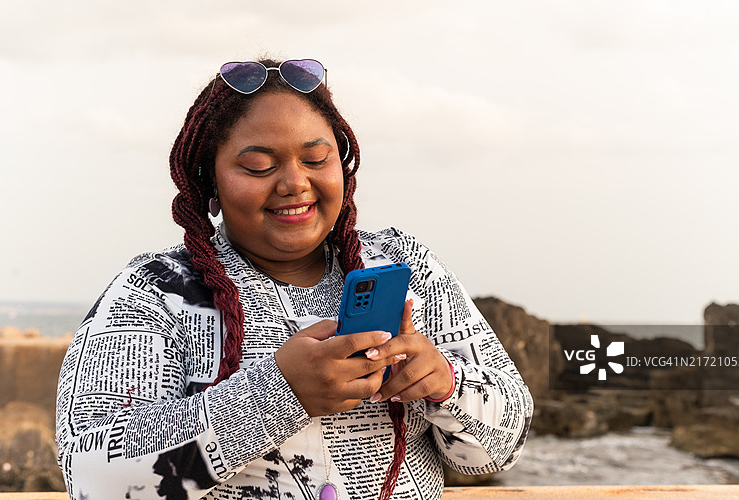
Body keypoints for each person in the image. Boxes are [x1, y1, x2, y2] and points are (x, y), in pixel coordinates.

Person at [55, 58, 533, 500]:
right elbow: (91, 479)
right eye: (258, 166)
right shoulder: (156, 289)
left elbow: (501, 449)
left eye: (316, 159)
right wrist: (276, 396)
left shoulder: (406, 264)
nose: (293, 182)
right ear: (210, 183)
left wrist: (445, 385)